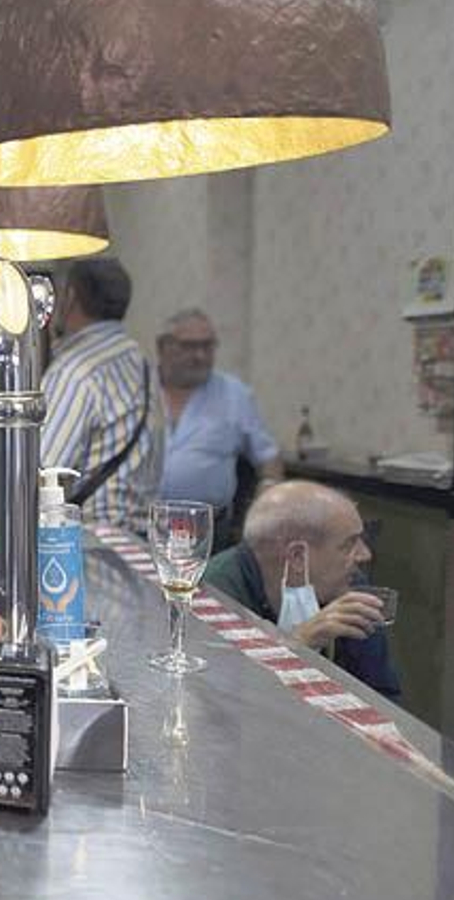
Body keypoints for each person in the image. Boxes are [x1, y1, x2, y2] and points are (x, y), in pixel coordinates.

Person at [202, 480, 399, 697]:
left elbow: (383, 694)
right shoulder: (214, 593)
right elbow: (211, 699)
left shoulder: (349, 585)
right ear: (297, 556)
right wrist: (295, 646)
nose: (365, 555)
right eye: (349, 544)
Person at [41, 257, 162, 534]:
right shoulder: (140, 360)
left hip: (90, 540)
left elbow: (42, 473)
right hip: (140, 538)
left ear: (70, 297)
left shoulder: (73, 371)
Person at [156, 308, 282, 545]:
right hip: (140, 524)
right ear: (162, 347)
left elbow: (268, 457)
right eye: (189, 346)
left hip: (207, 532)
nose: (200, 356)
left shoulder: (235, 395)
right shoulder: (138, 389)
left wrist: (269, 493)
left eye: (208, 346)